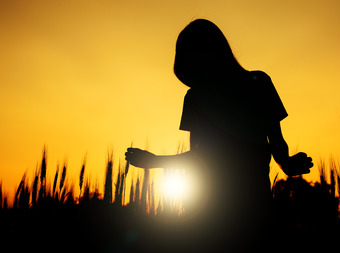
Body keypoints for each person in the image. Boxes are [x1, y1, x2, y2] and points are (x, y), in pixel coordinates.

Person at [125, 19, 313, 250]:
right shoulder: (245, 87)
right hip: (235, 213)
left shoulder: (252, 84)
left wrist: (153, 161)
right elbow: (203, 159)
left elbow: (201, 159)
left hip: (234, 216)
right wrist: (288, 164)